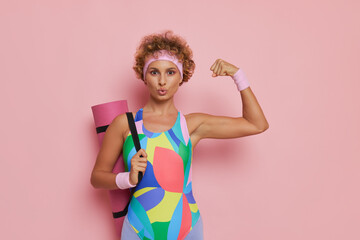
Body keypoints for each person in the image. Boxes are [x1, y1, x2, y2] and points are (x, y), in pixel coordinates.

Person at [91, 30, 269, 240]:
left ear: (181, 77)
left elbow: (256, 124)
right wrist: (126, 178)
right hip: (137, 231)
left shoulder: (190, 125)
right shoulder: (125, 124)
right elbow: (97, 177)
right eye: (154, 72)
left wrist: (238, 76)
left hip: (186, 229)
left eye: (171, 72)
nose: (162, 81)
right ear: (144, 75)